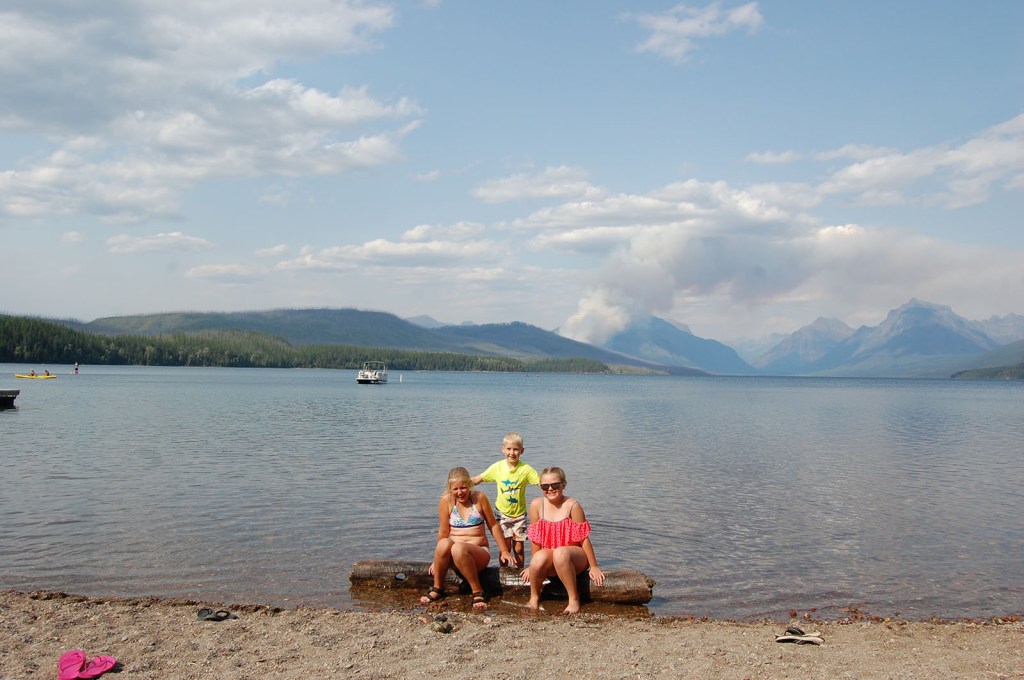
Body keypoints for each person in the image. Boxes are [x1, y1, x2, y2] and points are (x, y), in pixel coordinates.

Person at [421, 467, 515, 609]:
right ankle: (437, 588)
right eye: (455, 489)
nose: (460, 492)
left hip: (478, 553)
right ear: (450, 489)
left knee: (459, 548)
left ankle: (478, 591)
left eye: (463, 488)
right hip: (454, 554)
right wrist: (438, 560)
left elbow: (493, 525)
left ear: (470, 485)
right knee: (444, 544)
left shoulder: (479, 498)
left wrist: (504, 550)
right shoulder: (446, 500)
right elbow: (443, 531)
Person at [523, 466, 605, 614]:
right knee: (538, 557)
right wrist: (532, 567)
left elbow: (584, 538)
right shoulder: (536, 505)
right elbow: (535, 539)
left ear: (563, 485)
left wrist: (594, 566)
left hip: (573, 557)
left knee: (560, 553)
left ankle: (573, 599)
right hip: (551, 558)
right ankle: (534, 597)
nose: (550, 489)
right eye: (545, 486)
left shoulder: (572, 505)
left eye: (555, 485)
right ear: (540, 487)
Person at [471, 432, 539, 567]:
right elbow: (478, 479)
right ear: (503, 449)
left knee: (519, 548)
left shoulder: (526, 469)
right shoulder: (498, 467)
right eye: (509, 449)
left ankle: (519, 572)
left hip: (519, 515)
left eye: (516, 449)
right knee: (505, 547)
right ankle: (503, 571)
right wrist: (457, 486)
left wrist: (556, 487)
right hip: (502, 514)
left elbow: (541, 482)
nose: (512, 453)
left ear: (522, 451)